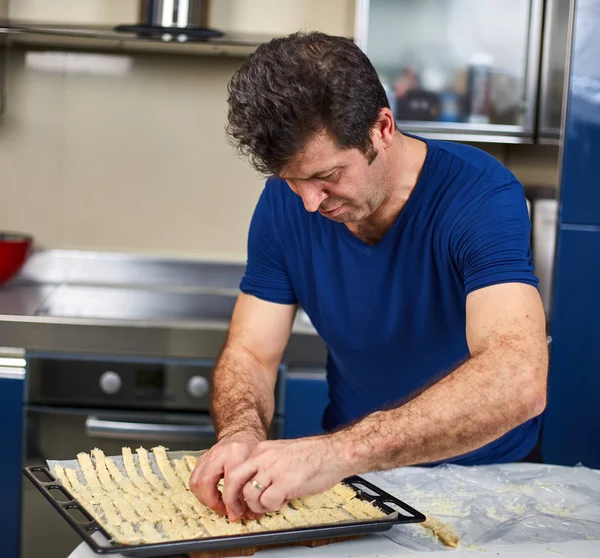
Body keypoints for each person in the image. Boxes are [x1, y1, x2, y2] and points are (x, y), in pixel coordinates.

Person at [189, 32, 548, 522]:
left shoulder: (481, 195)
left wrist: (335, 453)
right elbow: (251, 352)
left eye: (327, 176)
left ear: (382, 128)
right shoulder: (285, 204)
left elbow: (519, 377)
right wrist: (240, 432)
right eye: (292, 181)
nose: (310, 202)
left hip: (487, 482)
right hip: (354, 484)